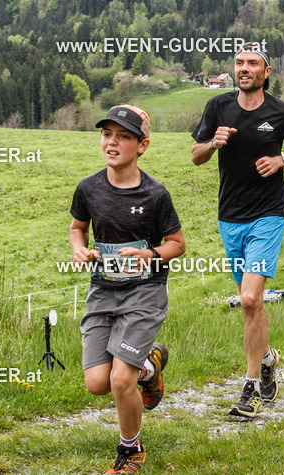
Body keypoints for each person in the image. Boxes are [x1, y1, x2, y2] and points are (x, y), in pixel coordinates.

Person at [191, 42, 284, 418]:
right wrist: (214, 143)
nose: (245, 68)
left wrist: (281, 159)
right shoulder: (218, 107)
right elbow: (196, 155)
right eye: (240, 63)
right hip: (230, 217)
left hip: (268, 215)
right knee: (252, 303)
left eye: (253, 64)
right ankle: (268, 358)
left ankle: (250, 388)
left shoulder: (280, 112)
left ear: (266, 71)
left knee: (248, 298)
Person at [69, 104, 186, 474]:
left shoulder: (155, 194)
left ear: (142, 145)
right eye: (106, 134)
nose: (112, 142)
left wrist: (150, 254)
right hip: (103, 292)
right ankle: (150, 367)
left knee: (121, 380)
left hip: (144, 293)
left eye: (123, 136)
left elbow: (177, 244)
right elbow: (77, 227)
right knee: (97, 383)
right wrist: (79, 249)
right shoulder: (88, 188)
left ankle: (130, 451)